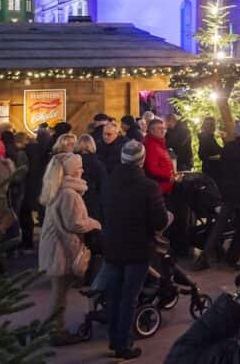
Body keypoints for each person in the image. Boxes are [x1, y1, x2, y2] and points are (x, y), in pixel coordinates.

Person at [102, 140, 169, 360]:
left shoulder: (110, 181)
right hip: (138, 248)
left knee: (113, 295)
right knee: (129, 297)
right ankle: (123, 344)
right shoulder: (148, 187)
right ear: (141, 161)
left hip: (112, 245)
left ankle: (113, 338)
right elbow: (159, 221)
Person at [38, 152, 101, 345]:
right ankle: (55, 332)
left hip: (54, 246)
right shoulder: (69, 194)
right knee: (60, 295)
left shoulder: (56, 188)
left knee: (59, 293)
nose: (83, 171)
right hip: (61, 250)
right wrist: (95, 224)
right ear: (73, 172)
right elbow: (76, 224)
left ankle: (52, 329)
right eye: (80, 168)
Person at [196, 120, 240, 270]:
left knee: (219, 226)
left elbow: (221, 168)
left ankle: (204, 257)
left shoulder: (228, 148)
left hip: (228, 194)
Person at [20, 126, 52, 250]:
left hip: (30, 184)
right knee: (44, 214)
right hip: (44, 184)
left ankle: (28, 243)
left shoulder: (28, 149)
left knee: (27, 214)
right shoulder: (49, 151)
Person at [76, 134, 107, 225]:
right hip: (93, 201)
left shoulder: (72, 162)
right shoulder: (98, 164)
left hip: (76, 199)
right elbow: (103, 185)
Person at [142, 116, 175, 196]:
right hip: (159, 188)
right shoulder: (151, 145)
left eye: (164, 128)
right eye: (160, 129)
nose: (163, 131)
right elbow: (151, 168)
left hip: (164, 186)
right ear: (151, 130)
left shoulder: (158, 142)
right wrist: (169, 175)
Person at [197, 116, 222, 180]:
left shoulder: (209, 138)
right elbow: (202, 155)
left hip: (210, 168)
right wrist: (216, 157)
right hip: (211, 169)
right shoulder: (206, 138)